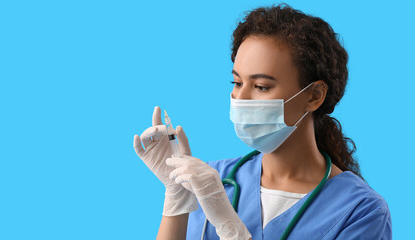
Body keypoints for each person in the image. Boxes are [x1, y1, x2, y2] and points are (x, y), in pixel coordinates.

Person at [133, 4, 392, 240]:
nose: (240, 98)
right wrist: (176, 196)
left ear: (314, 96)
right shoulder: (213, 180)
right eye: (236, 82)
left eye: (261, 87)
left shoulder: (361, 212)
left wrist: (229, 225)